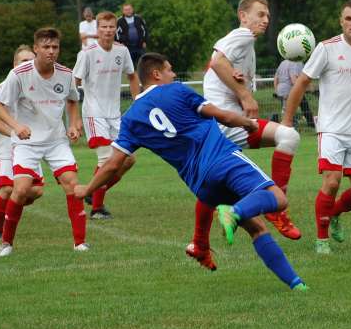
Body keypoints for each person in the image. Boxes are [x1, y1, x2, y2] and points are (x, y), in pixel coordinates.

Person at [73, 53, 307, 290]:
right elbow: (223, 116)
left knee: (257, 227)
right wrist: (247, 123)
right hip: (222, 158)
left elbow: (113, 164)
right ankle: (233, 212)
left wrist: (88, 188)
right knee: (278, 198)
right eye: (170, 69)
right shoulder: (176, 90)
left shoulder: (131, 118)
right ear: (156, 74)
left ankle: (296, 284)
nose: (173, 74)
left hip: (200, 183)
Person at [281, 0, 351, 255]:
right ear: (341, 21)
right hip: (331, 129)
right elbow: (300, 84)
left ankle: (333, 214)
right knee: (331, 182)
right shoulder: (326, 49)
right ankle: (322, 241)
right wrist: (287, 120)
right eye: (348, 18)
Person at [202, 0, 302, 240]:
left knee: (212, 188)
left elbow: (215, 67)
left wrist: (238, 87)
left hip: (222, 124)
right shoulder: (243, 35)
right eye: (260, 15)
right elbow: (216, 62)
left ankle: (199, 244)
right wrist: (245, 96)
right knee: (288, 136)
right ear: (243, 16)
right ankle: (275, 207)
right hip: (228, 123)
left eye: (267, 16)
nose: (266, 20)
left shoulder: (245, 46)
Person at [0, 27, 88, 257]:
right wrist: (16, 126)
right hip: (27, 142)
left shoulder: (65, 74)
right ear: (36, 49)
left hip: (56, 141)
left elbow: (73, 101)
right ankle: (6, 243)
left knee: (72, 185)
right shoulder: (19, 74)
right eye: (46, 47)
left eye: (55, 47)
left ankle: (80, 243)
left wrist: (74, 124)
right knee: (22, 189)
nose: (51, 51)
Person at [73, 11, 140, 219]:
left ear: (116, 29)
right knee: (106, 160)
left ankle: (93, 190)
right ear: (97, 29)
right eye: (103, 27)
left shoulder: (122, 50)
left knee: (129, 160)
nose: (108, 31)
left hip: (115, 114)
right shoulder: (88, 53)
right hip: (94, 113)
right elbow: (73, 83)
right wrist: (75, 118)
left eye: (111, 27)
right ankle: (97, 209)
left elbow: (132, 75)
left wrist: (138, 101)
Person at [0, 45, 39, 241]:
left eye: (32, 61)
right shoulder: (3, 87)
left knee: (36, 191)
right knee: (8, 189)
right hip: (6, 147)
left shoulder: (38, 86)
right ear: (14, 65)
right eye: (24, 61)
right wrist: (13, 132)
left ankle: (11, 208)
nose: (29, 65)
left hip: (30, 147)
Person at [274, 59, 314, 128]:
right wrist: (305, 88)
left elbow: (276, 78)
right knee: (302, 107)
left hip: (281, 90)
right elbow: (293, 79)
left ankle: (309, 123)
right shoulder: (295, 62)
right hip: (291, 90)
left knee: (288, 108)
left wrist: (277, 90)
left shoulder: (283, 63)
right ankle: (292, 126)